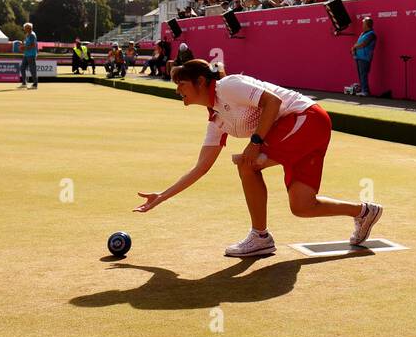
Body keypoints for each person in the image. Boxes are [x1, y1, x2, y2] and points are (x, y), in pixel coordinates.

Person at [133, 60, 385, 258]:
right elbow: (201, 168)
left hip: (306, 118)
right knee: (302, 206)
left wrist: (254, 144)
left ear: (201, 81)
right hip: (302, 131)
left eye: (182, 84)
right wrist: (162, 196)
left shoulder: (228, 86)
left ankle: (260, 237)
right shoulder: (216, 120)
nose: (177, 90)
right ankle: (364, 212)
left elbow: (272, 102)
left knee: (246, 163)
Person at [351, 17, 377, 97]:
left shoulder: (372, 34)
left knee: (363, 75)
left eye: (363, 23)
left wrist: (355, 47)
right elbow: (358, 43)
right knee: (360, 75)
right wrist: (353, 50)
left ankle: (365, 91)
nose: (362, 25)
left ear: (367, 24)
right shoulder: (362, 33)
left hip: (365, 58)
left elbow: (364, 44)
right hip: (358, 57)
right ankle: (363, 90)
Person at [18, 22, 38, 89]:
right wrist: (22, 45)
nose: (24, 29)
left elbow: (33, 45)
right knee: (22, 68)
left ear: (29, 28)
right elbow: (26, 43)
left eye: (25, 28)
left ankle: (35, 84)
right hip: (26, 54)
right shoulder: (27, 35)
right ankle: (24, 83)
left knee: (32, 69)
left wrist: (24, 48)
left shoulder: (32, 35)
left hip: (31, 54)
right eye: (24, 28)